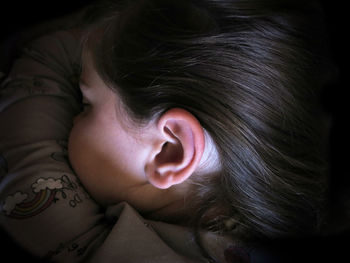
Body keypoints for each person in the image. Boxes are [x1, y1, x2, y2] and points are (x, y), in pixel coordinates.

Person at [0, 0, 334, 262]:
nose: (72, 116)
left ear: (169, 150)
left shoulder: (79, 245)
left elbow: (45, 62)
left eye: (86, 103)